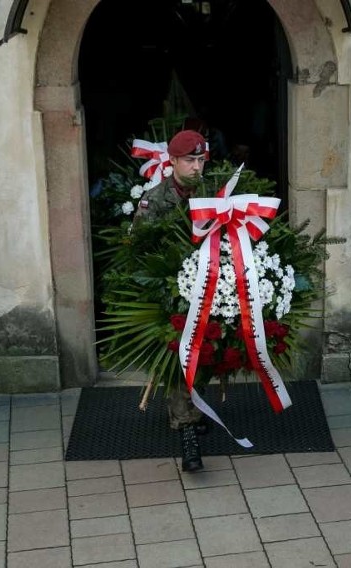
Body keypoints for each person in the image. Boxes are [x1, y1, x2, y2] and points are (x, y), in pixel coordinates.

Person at [133, 129, 208, 473]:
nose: (196, 167)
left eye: (200, 159)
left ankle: (195, 409)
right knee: (180, 357)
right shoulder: (155, 199)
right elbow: (139, 250)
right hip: (171, 294)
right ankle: (186, 427)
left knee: (206, 354)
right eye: (189, 160)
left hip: (209, 288)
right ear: (173, 161)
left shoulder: (213, 194)